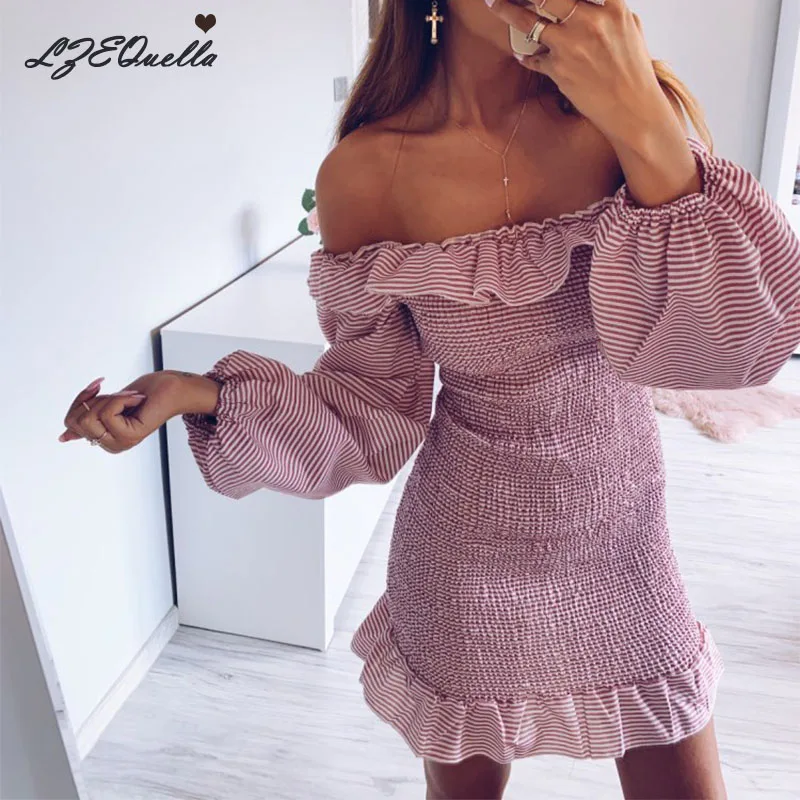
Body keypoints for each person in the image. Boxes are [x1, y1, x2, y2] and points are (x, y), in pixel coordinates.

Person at [60, 0, 800, 797]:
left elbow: (731, 348)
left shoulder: (625, 117)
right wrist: (197, 394)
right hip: (464, 561)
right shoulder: (367, 174)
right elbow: (370, 405)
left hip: (627, 544)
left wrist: (644, 121)